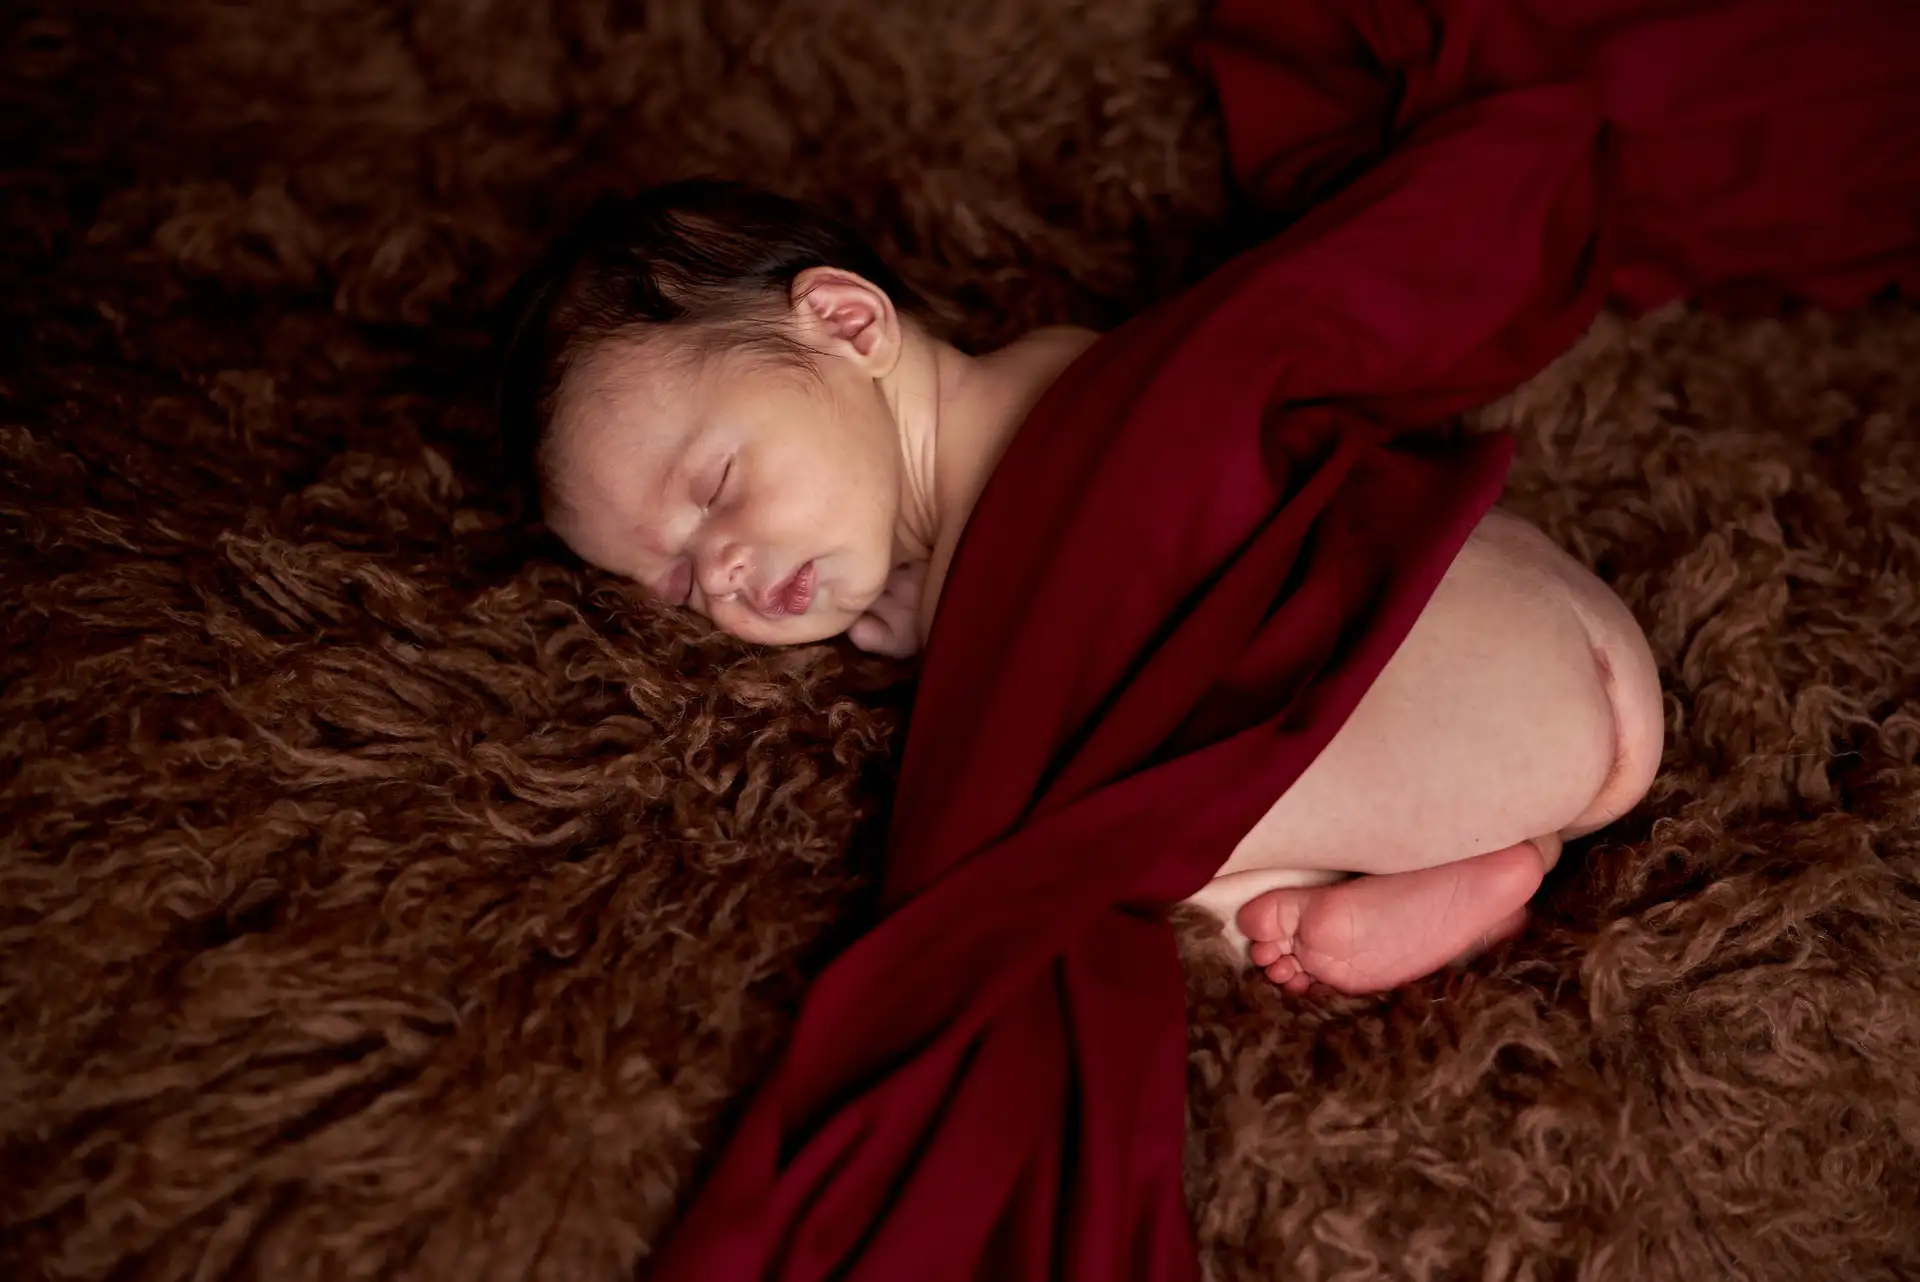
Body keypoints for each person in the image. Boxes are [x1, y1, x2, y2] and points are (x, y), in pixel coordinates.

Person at [498, 180, 1663, 995]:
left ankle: (1370, 876)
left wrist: (949, 627)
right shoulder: (1021, 420)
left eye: (716, 485)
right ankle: (1473, 865)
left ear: (849, 323)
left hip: (1466, 666)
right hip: (1552, 667)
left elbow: (1138, 543)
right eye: (675, 582)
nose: (726, 570)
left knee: (1081, 858)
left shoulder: (1070, 390)